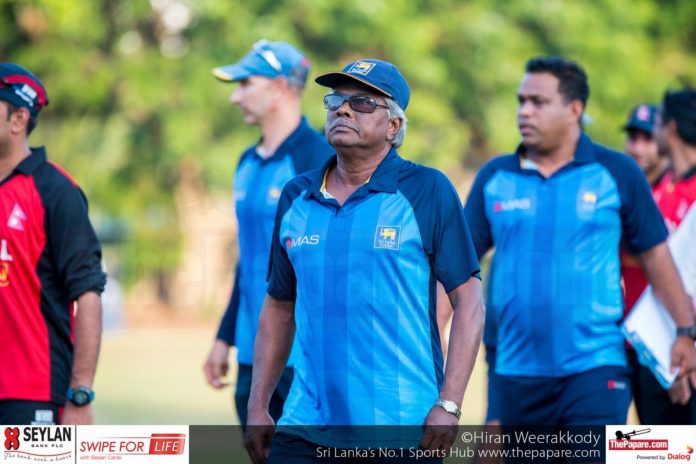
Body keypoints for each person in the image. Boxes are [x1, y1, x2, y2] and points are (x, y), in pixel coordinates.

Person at [244, 59, 484, 464]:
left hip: (401, 429)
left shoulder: (428, 190)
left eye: (362, 102)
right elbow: (279, 305)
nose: (342, 109)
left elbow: (470, 302)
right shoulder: (296, 196)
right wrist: (258, 406)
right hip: (303, 426)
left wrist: (450, 404)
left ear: (394, 126)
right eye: (335, 99)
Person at [464, 56, 696, 426]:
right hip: (515, 371)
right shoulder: (495, 176)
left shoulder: (617, 173)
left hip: (596, 368)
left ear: (574, 109)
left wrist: (685, 331)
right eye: (522, 101)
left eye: (538, 102)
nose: (524, 111)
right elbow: (457, 268)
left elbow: (657, 257)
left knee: (645, 445)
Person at [203, 40, 332, 426]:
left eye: (245, 84)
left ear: (279, 87)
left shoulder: (320, 160)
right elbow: (250, 258)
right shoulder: (246, 163)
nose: (235, 97)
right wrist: (224, 336)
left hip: (305, 359)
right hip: (250, 353)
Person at [0, 63, 106, 425]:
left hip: (32, 395)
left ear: (18, 120)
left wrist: (80, 393)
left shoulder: (55, 191)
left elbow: (88, 293)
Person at [633, 88, 696, 424]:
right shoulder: (658, 187)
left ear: (670, 127)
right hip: (655, 345)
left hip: (686, 349)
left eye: (655, 123)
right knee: (657, 445)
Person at [618, 103, 667, 422]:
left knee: (674, 440)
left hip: (667, 339)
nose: (637, 148)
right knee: (637, 437)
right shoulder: (619, 194)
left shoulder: (677, 192)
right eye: (633, 138)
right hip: (627, 339)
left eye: (647, 139)